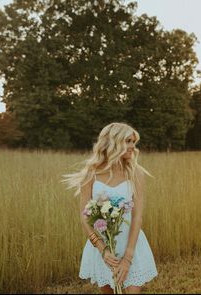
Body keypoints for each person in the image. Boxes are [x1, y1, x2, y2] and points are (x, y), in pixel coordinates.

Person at [62, 122, 158, 294]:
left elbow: (137, 217)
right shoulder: (90, 173)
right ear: (114, 142)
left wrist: (128, 258)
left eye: (133, 142)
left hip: (131, 244)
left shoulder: (136, 173)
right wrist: (102, 249)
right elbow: (84, 216)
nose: (132, 147)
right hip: (103, 247)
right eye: (128, 141)